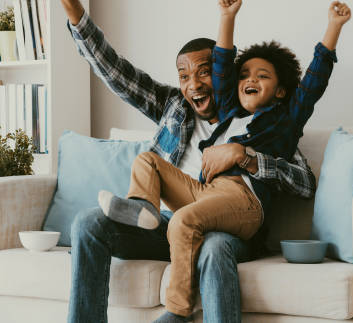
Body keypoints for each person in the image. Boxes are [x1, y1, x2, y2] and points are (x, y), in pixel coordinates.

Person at [59, 1, 317, 323]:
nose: (193, 84)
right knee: (89, 222)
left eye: (204, 72)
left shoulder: (260, 123)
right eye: (184, 76)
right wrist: (74, 12)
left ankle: (178, 313)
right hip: (168, 224)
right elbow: (116, 73)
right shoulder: (174, 108)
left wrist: (246, 157)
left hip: (226, 231)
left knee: (214, 245)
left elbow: (305, 183)